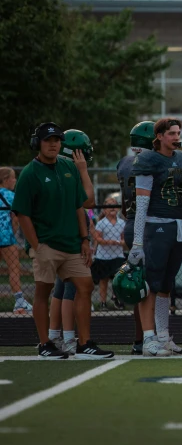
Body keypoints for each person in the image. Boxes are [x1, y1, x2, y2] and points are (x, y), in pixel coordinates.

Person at [12, 123, 112, 359]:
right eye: (48, 140)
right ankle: (45, 343)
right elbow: (22, 213)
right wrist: (36, 245)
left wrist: (85, 239)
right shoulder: (30, 173)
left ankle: (84, 343)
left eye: (57, 140)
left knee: (85, 286)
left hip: (72, 243)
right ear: (38, 143)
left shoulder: (68, 166)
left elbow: (80, 205)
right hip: (46, 243)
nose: (53, 144)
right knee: (42, 292)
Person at [130, 118, 182, 357]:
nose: (177, 137)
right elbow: (141, 203)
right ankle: (148, 339)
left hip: (177, 226)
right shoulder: (147, 160)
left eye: (178, 132)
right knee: (151, 285)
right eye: (171, 133)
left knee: (166, 287)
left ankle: (163, 337)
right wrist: (138, 241)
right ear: (159, 136)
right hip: (156, 226)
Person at [117, 121, 156, 354]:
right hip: (149, 224)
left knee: (139, 283)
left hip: (131, 222)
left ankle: (139, 338)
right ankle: (149, 338)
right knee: (151, 285)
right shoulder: (152, 162)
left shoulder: (124, 163)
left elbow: (123, 203)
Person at [0, 167, 33, 314]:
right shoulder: (11, 196)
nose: (15, 181)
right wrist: (13, 232)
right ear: (6, 180)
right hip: (6, 236)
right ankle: (19, 302)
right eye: (13, 178)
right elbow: (15, 219)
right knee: (14, 267)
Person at [91, 198, 125, 312]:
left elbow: (124, 239)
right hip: (104, 256)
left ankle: (116, 297)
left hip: (118, 255)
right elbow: (98, 238)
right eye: (109, 206)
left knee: (118, 276)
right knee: (103, 280)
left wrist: (121, 243)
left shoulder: (121, 223)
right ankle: (103, 302)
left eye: (114, 205)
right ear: (104, 210)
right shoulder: (101, 223)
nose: (112, 208)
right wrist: (108, 242)